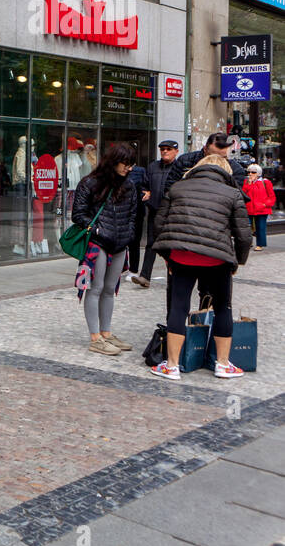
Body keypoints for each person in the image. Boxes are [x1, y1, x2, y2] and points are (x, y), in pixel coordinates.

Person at [150, 154, 253, 380]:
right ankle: (223, 364)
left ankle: (172, 366)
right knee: (222, 308)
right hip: (217, 259)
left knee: (178, 308)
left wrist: (167, 256)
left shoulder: (178, 187)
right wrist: (237, 260)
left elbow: (159, 224)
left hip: (182, 257)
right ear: (225, 171)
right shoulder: (233, 193)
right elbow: (244, 235)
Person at [71, 142, 138, 355]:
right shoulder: (90, 183)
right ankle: (95, 337)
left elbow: (134, 214)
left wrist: (128, 235)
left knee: (110, 289)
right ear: (113, 161)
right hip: (97, 243)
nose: (128, 168)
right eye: (125, 164)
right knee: (95, 288)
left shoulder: (129, 186)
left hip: (120, 243)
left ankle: (106, 333)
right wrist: (97, 231)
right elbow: (78, 214)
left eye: (131, 164)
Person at [129, 139, 180, 287]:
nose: (164, 151)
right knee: (151, 243)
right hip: (155, 211)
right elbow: (144, 185)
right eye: (162, 149)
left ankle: (175, 277)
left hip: (173, 213)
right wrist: (146, 193)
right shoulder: (152, 167)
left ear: (176, 151)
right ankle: (145, 276)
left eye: (168, 149)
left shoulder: (179, 167)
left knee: (171, 245)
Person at [167, 132, 246, 190]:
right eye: (212, 156)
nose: (216, 161)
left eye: (223, 158)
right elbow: (170, 188)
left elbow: (236, 199)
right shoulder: (185, 161)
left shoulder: (236, 170)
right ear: (205, 149)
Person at [242, 163, 276, 251]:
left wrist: (265, 204)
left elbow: (271, 197)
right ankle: (249, 242)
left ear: (258, 173)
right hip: (249, 208)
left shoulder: (265, 182)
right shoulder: (246, 182)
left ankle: (260, 244)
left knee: (260, 227)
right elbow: (244, 194)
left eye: (253, 172)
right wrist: (249, 184)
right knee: (246, 226)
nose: (250, 174)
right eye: (249, 172)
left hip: (261, 209)